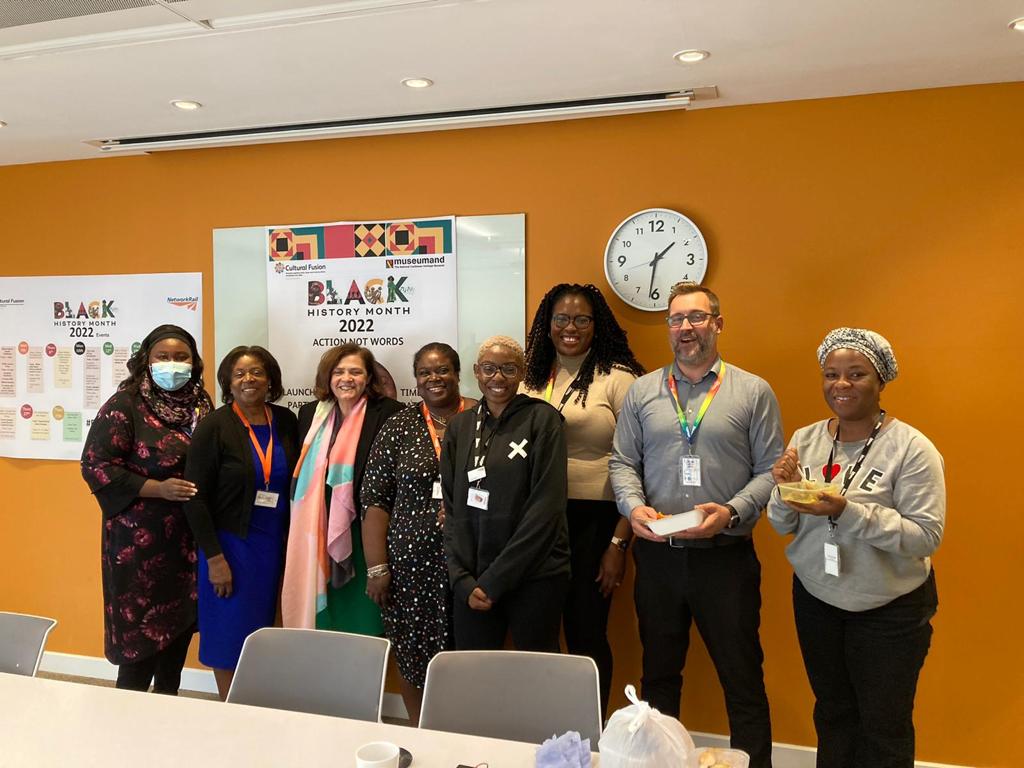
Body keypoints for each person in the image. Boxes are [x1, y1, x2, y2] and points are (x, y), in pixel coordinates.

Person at [608, 282, 781, 768]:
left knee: (742, 679)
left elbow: (771, 470)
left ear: (718, 324)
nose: (686, 328)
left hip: (725, 560)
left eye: (697, 318)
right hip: (658, 558)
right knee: (659, 679)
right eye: (677, 319)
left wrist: (730, 512)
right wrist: (633, 507)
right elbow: (622, 462)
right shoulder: (643, 391)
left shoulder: (753, 391)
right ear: (668, 328)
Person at [768, 328, 944, 767]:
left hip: (890, 609)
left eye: (856, 374)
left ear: (880, 380)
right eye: (831, 374)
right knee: (832, 714)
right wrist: (784, 491)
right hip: (817, 600)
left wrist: (847, 510)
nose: (841, 385)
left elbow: (925, 535)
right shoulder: (806, 439)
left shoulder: (912, 449)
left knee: (884, 725)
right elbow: (781, 523)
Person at [521, 283, 645, 718]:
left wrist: (618, 544)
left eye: (581, 320)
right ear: (547, 324)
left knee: (586, 631)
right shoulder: (532, 375)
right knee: (539, 630)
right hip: (536, 520)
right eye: (561, 319)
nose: (570, 328)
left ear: (597, 326)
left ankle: (589, 732)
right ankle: (550, 723)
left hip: (597, 522)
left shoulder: (619, 378)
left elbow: (638, 464)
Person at [81, 324, 213, 694]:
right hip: (138, 545)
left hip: (188, 541)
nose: (173, 364)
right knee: (139, 644)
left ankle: (167, 715)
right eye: (163, 357)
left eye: (181, 357)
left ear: (194, 362)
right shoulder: (125, 405)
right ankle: (126, 724)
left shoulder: (202, 403)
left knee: (177, 638)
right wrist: (157, 488)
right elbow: (95, 464)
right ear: (146, 361)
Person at [361, 342, 477, 723]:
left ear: (458, 373)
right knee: (413, 653)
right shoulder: (400, 425)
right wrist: (377, 567)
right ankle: (421, 730)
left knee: (471, 653)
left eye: (443, 369)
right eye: (425, 373)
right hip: (412, 570)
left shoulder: (483, 416)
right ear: (416, 380)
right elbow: (375, 501)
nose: (434, 378)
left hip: (475, 563)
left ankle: (469, 731)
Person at [440, 336, 570, 653]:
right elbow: (452, 509)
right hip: (472, 580)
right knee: (474, 678)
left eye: (508, 369)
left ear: (522, 372)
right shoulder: (460, 427)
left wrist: (495, 580)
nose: (498, 378)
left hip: (534, 577)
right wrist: (462, 579)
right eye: (489, 369)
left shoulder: (543, 420)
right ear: (476, 372)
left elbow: (546, 509)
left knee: (537, 678)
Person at [183, 346, 299, 700]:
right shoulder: (214, 426)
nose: (249, 380)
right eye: (239, 374)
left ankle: (262, 704)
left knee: (267, 631)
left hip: (276, 544)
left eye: (257, 372)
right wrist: (214, 559)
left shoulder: (286, 420)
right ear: (227, 383)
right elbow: (195, 497)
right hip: (230, 547)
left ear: (271, 380)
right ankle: (232, 710)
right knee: (229, 635)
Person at [281, 344, 403, 633]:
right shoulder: (310, 414)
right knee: (327, 626)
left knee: (366, 625)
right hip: (317, 532)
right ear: (328, 377)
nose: (346, 378)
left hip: (367, 537)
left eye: (355, 372)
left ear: (368, 379)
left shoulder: (388, 413)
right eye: (339, 371)